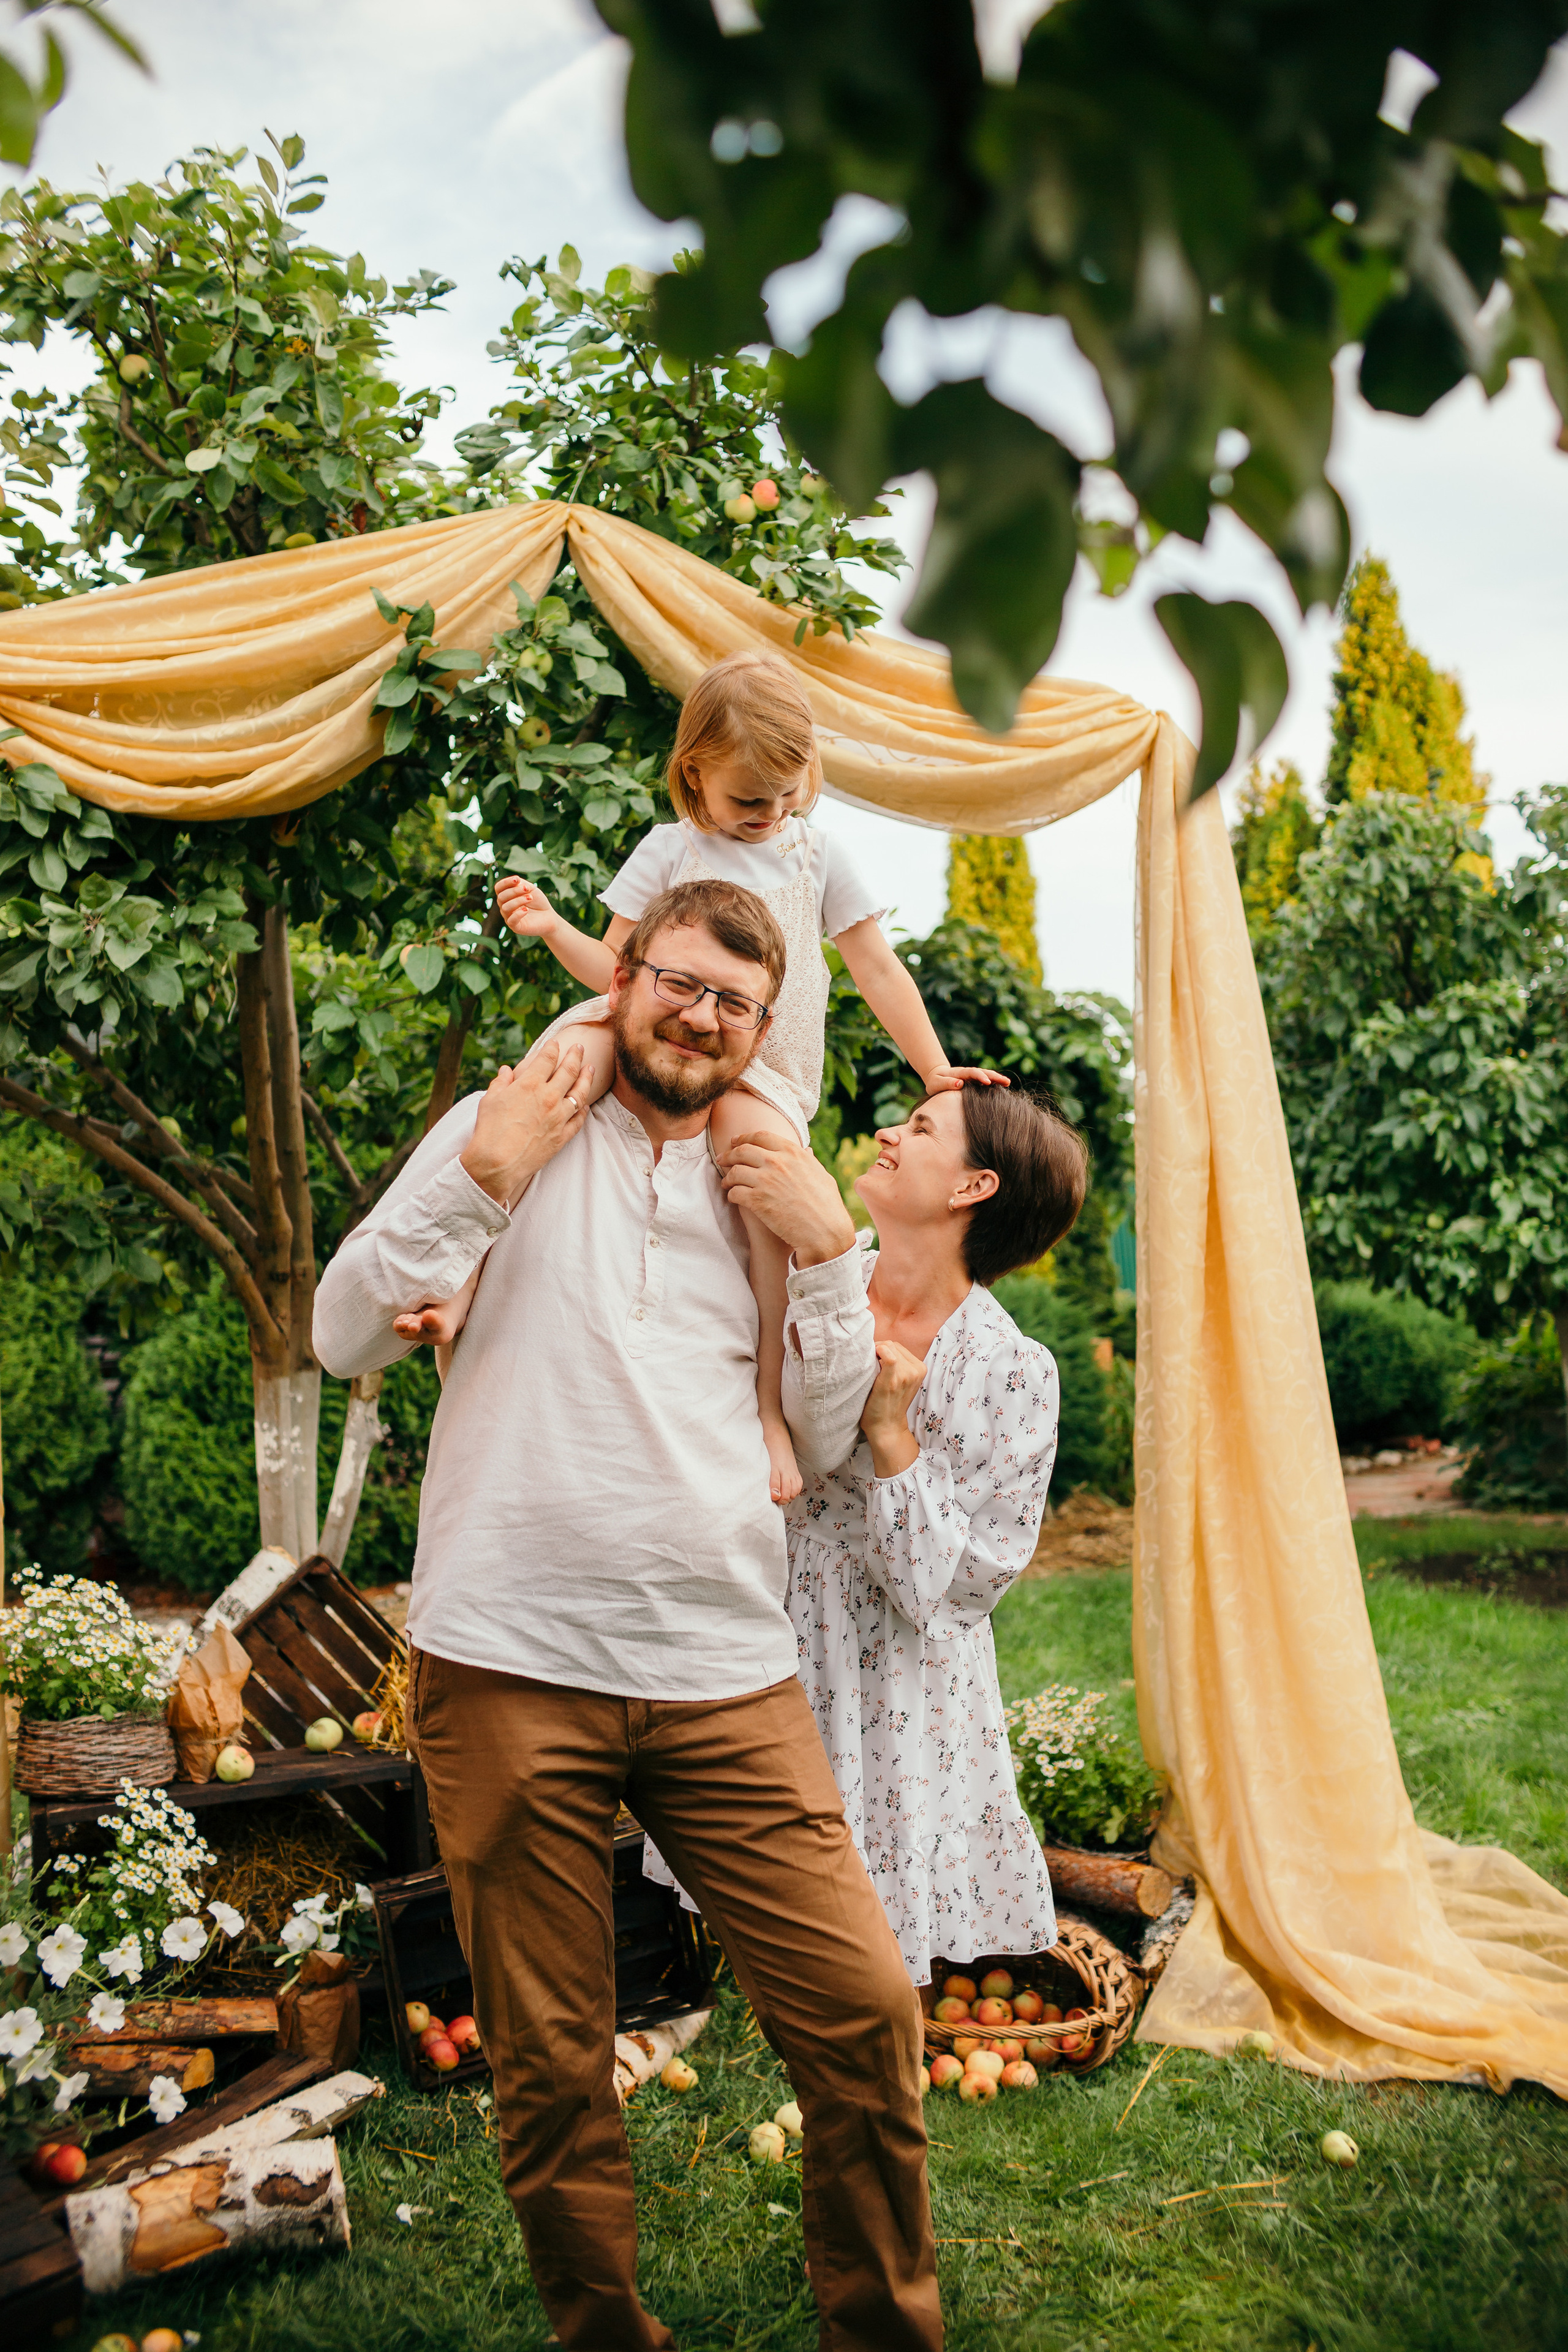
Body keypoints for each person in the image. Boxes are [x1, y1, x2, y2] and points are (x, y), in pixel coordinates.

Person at [312, 875, 942, 2352]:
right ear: (622, 975)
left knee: (860, 2010)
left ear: (762, 1025)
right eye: (673, 978)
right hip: (507, 1663)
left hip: (726, 1670)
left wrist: (835, 1255)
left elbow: (830, 1434)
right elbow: (344, 1332)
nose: (697, 1013)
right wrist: (484, 1171)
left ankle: (884, 2334)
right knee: (546, 2056)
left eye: (733, 999)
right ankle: (602, 2336)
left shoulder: (772, 1178)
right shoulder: (514, 1118)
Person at [417, 650, 1004, 1504]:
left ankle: (768, 1409)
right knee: (547, 1085)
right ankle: (457, 1284)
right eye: (746, 799)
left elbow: (879, 970)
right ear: (695, 773)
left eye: (786, 792)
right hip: (649, 1035)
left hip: (758, 1073)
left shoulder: (817, 858)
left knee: (769, 1219)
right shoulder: (669, 850)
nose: (769, 813)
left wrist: (939, 1071)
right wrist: (550, 929)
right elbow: (612, 971)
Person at [708, 1082, 1089, 1986]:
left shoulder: (1013, 1373)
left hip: (893, 1678)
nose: (888, 1132)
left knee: (858, 1943)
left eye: (920, 1130)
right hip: (760, 1615)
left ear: (972, 1189)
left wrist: (891, 1437)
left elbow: (958, 1590)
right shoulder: (805, 1275)